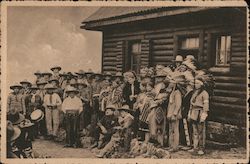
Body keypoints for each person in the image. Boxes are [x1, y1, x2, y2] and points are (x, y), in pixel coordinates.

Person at [188, 79, 209, 155]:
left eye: (197, 83)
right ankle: (195, 147)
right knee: (195, 132)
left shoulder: (204, 93)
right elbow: (191, 104)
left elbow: (206, 104)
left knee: (201, 132)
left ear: (201, 84)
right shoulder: (194, 92)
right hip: (194, 112)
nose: (195, 84)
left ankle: (201, 148)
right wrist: (189, 113)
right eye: (195, 83)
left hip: (200, 113)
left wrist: (204, 114)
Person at [166, 74, 186, 152]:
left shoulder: (177, 93)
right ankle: (170, 145)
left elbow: (178, 105)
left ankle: (175, 147)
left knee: (175, 130)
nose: (170, 84)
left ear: (175, 84)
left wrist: (175, 113)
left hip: (174, 114)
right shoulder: (172, 93)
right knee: (170, 130)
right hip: (170, 114)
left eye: (171, 83)